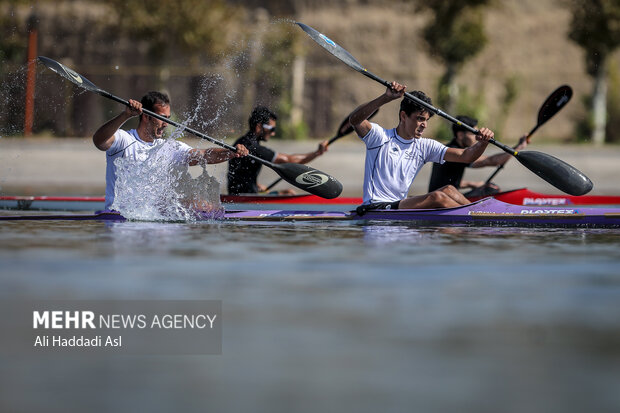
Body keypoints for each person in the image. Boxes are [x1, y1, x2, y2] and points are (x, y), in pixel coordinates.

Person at [349, 81, 495, 213]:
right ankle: (477, 217)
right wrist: (386, 97)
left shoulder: (424, 146)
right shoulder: (380, 137)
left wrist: (482, 143)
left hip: (399, 205)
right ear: (403, 116)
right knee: (437, 197)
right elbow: (355, 120)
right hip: (376, 207)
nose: (424, 124)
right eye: (420, 119)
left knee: (449, 190)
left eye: (426, 120)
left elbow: (466, 156)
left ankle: (481, 213)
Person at [92, 91, 249, 211]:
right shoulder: (124, 140)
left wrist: (231, 153)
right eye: (162, 117)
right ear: (146, 116)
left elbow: (204, 155)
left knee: (202, 205)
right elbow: (99, 140)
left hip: (151, 220)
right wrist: (125, 115)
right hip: (120, 221)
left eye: (168, 117)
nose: (166, 123)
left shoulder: (169, 148)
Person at [227, 106, 329, 195]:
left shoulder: (241, 142)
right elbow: (290, 160)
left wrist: (256, 185)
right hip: (245, 199)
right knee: (289, 195)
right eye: (272, 129)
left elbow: (241, 174)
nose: (273, 133)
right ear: (258, 127)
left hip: (242, 194)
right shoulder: (253, 148)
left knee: (287, 192)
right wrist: (317, 153)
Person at [428, 115, 528, 196]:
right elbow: (492, 161)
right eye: (473, 133)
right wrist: (518, 147)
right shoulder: (456, 153)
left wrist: (472, 184)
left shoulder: (449, 148)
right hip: (441, 200)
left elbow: (449, 181)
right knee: (490, 190)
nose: (476, 138)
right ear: (460, 135)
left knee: (486, 187)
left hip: (445, 195)